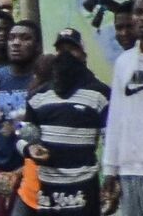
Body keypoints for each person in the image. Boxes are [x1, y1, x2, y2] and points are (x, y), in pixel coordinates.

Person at [15, 28, 108, 215]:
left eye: (71, 49)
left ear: (83, 54)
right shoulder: (38, 96)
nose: (66, 56)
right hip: (48, 193)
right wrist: (30, 149)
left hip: (84, 192)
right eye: (61, 50)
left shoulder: (101, 94)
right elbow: (22, 135)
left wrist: (110, 180)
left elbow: (111, 143)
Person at [103, 0, 143, 216]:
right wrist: (110, 169)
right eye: (139, 13)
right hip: (129, 169)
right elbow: (116, 117)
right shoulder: (124, 63)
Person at [0, 21, 40, 213]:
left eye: (25, 38)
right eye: (12, 38)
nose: (16, 43)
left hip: (32, 170)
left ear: (37, 46)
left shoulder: (43, 81)